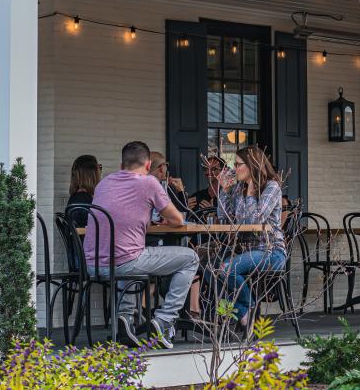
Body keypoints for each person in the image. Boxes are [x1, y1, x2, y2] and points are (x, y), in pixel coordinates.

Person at [82, 141, 198, 349]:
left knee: (129, 252)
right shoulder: (148, 182)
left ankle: (125, 319)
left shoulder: (104, 183)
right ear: (148, 165)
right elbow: (177, 220)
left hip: (92, 265)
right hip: (123, 263)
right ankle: (164, 319)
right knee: (190, 258)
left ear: (121, 165)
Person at [210, 146, 288, 332]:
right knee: (209, 268)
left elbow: (255, 220)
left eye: (238, 165)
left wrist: (251, 195)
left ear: (252, 166)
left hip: (271, 252)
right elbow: (225, 217)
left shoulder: (272, 187)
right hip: (245, 252)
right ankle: (245, 311)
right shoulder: (238, 188)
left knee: (227, 268)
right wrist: (225, 191)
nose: (234, 169)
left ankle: (247, 311)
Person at [66, 154, 102, 228]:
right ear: (91, 174)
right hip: (87, 239)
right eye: (99, 167)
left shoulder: (77, 197)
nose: (100, 171)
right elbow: (93, 226)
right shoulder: (83, 200)